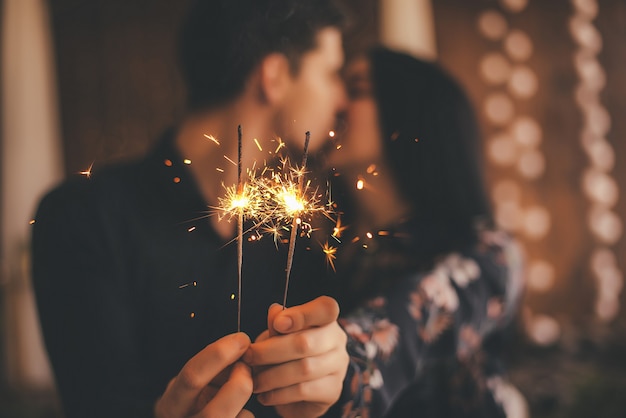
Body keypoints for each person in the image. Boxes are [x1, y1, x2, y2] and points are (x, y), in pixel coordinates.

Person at [32, 1, 351, 417]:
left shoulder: (297, 237)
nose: (341, 98)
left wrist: (332, 379)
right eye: (330, 73)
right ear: (273, 76)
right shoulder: (82, 217)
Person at [323, 47, 526, 417]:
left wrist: (335, 358)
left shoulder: (488, 254)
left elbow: (422, 313)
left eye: (356, 88)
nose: (335, 101)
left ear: (409, 114)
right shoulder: (326, 252)